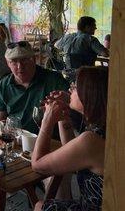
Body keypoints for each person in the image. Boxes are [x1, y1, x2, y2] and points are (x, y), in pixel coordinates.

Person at [32, 66, 107, 211]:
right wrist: (62, 116)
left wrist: (47, 121)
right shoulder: (103, 126)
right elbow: (72, 150)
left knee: (40, 206)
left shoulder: (91, 140)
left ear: (89, 95)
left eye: (75, 86)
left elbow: (38, 165)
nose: (70, 89)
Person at [0, 41, 69, 133]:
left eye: (24, 60)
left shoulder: (54, 80)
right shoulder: (3, 84)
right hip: (15, 137)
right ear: (8, 64)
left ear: (34, 59)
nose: (20, 66)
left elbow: (68, 116)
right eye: (14, 62)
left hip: (48, 138)